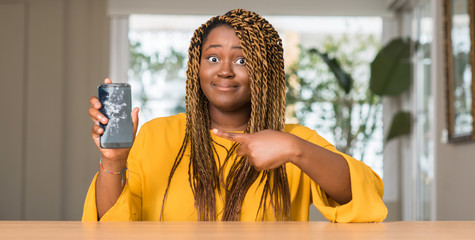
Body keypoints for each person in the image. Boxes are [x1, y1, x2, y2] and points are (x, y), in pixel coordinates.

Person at [83, 9, 387, 222]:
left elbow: (364, 199)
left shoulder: (294, 142)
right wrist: (114, 161)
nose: (225, 70)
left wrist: (295, 150)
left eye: (242, 59)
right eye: (212, 58)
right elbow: (111, 226)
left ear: (265, 71)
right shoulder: (155, 136)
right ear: (196, 68)